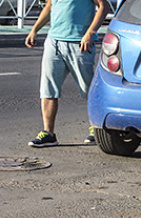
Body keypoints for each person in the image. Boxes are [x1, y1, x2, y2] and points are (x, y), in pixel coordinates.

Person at [25, 0, 109, 148]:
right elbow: (50, 6)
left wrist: (90, 33)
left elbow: (103, 6)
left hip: (80, 43)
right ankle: (48, 133)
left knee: (89, 90)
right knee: (48, 89)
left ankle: (96, 128)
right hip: (54, 42)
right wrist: (34, 30)